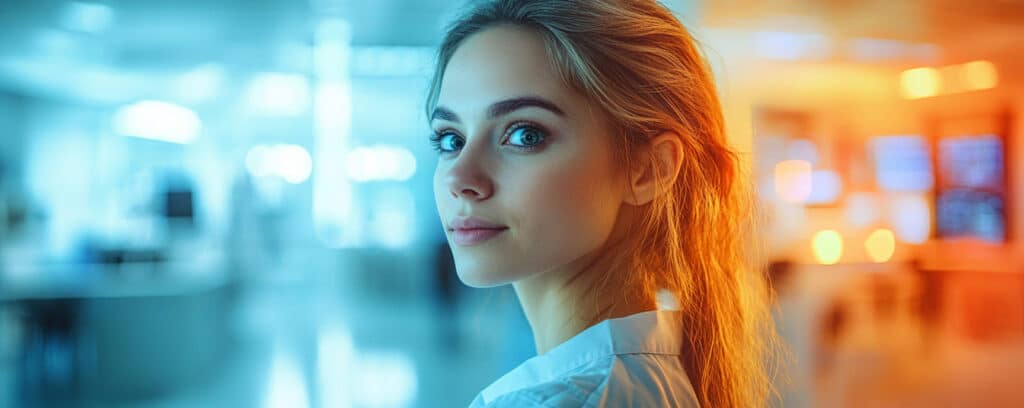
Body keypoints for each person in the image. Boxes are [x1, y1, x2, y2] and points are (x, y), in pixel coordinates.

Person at [426, 0, 779, 406]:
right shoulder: (652, 378)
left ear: (648, 170)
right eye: (451, 139)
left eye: (525, 134)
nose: (459, 178)